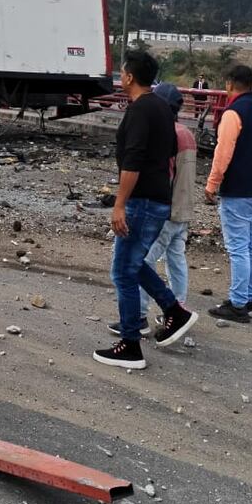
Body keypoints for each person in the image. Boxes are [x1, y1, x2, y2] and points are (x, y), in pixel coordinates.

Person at [93, 51, 198, 370]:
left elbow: (133, 160)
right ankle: (175, 311)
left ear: (128, 77)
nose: (119, 77)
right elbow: (165, 152)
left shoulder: (140, 110)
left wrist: (120, 204)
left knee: (122, 270)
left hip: (141, 201)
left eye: (121, 72)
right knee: (134, 263)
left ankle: (130, 345)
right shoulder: (162, 109)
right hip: (158, 198)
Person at [107, 82, 196, 337]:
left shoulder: (166, 132)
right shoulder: (186, 133)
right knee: (175, 260)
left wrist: (121, 203)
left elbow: (163, 173)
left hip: (162, 209)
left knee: (136, 262)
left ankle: (140, 321)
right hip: (182, 208)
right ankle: (177, 308)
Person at [205, 64, 252, 324]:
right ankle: (248, 299)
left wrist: (212, 184)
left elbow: (223, 151)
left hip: (240, 190)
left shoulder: (233, 112)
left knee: (238, 247)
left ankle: (237, 304)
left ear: (229, 83)